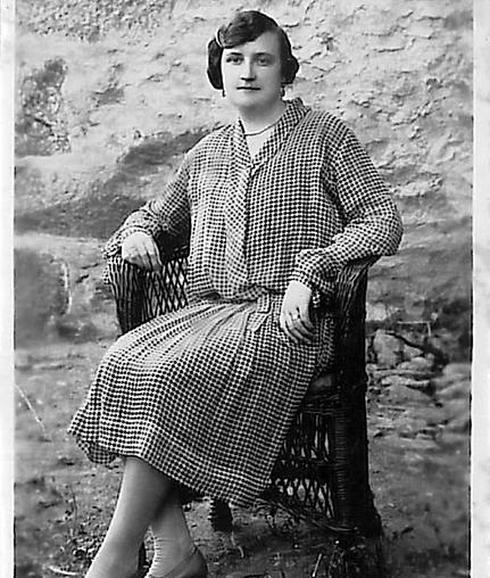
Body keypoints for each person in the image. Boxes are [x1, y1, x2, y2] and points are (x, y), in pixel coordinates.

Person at [69, 9, 403, 578]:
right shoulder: (207, 153)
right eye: (234, 60)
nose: (247, 72)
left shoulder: (325, 136)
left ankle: (114, 560)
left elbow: (381, 219)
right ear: (219, 72)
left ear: (284, 71)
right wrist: (140, 233)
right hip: (211, 314)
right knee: (124, 361)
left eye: (262, 60)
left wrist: (312, 271)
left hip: (291, 320)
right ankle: (174, 552)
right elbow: (156, 217)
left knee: (163, 374)